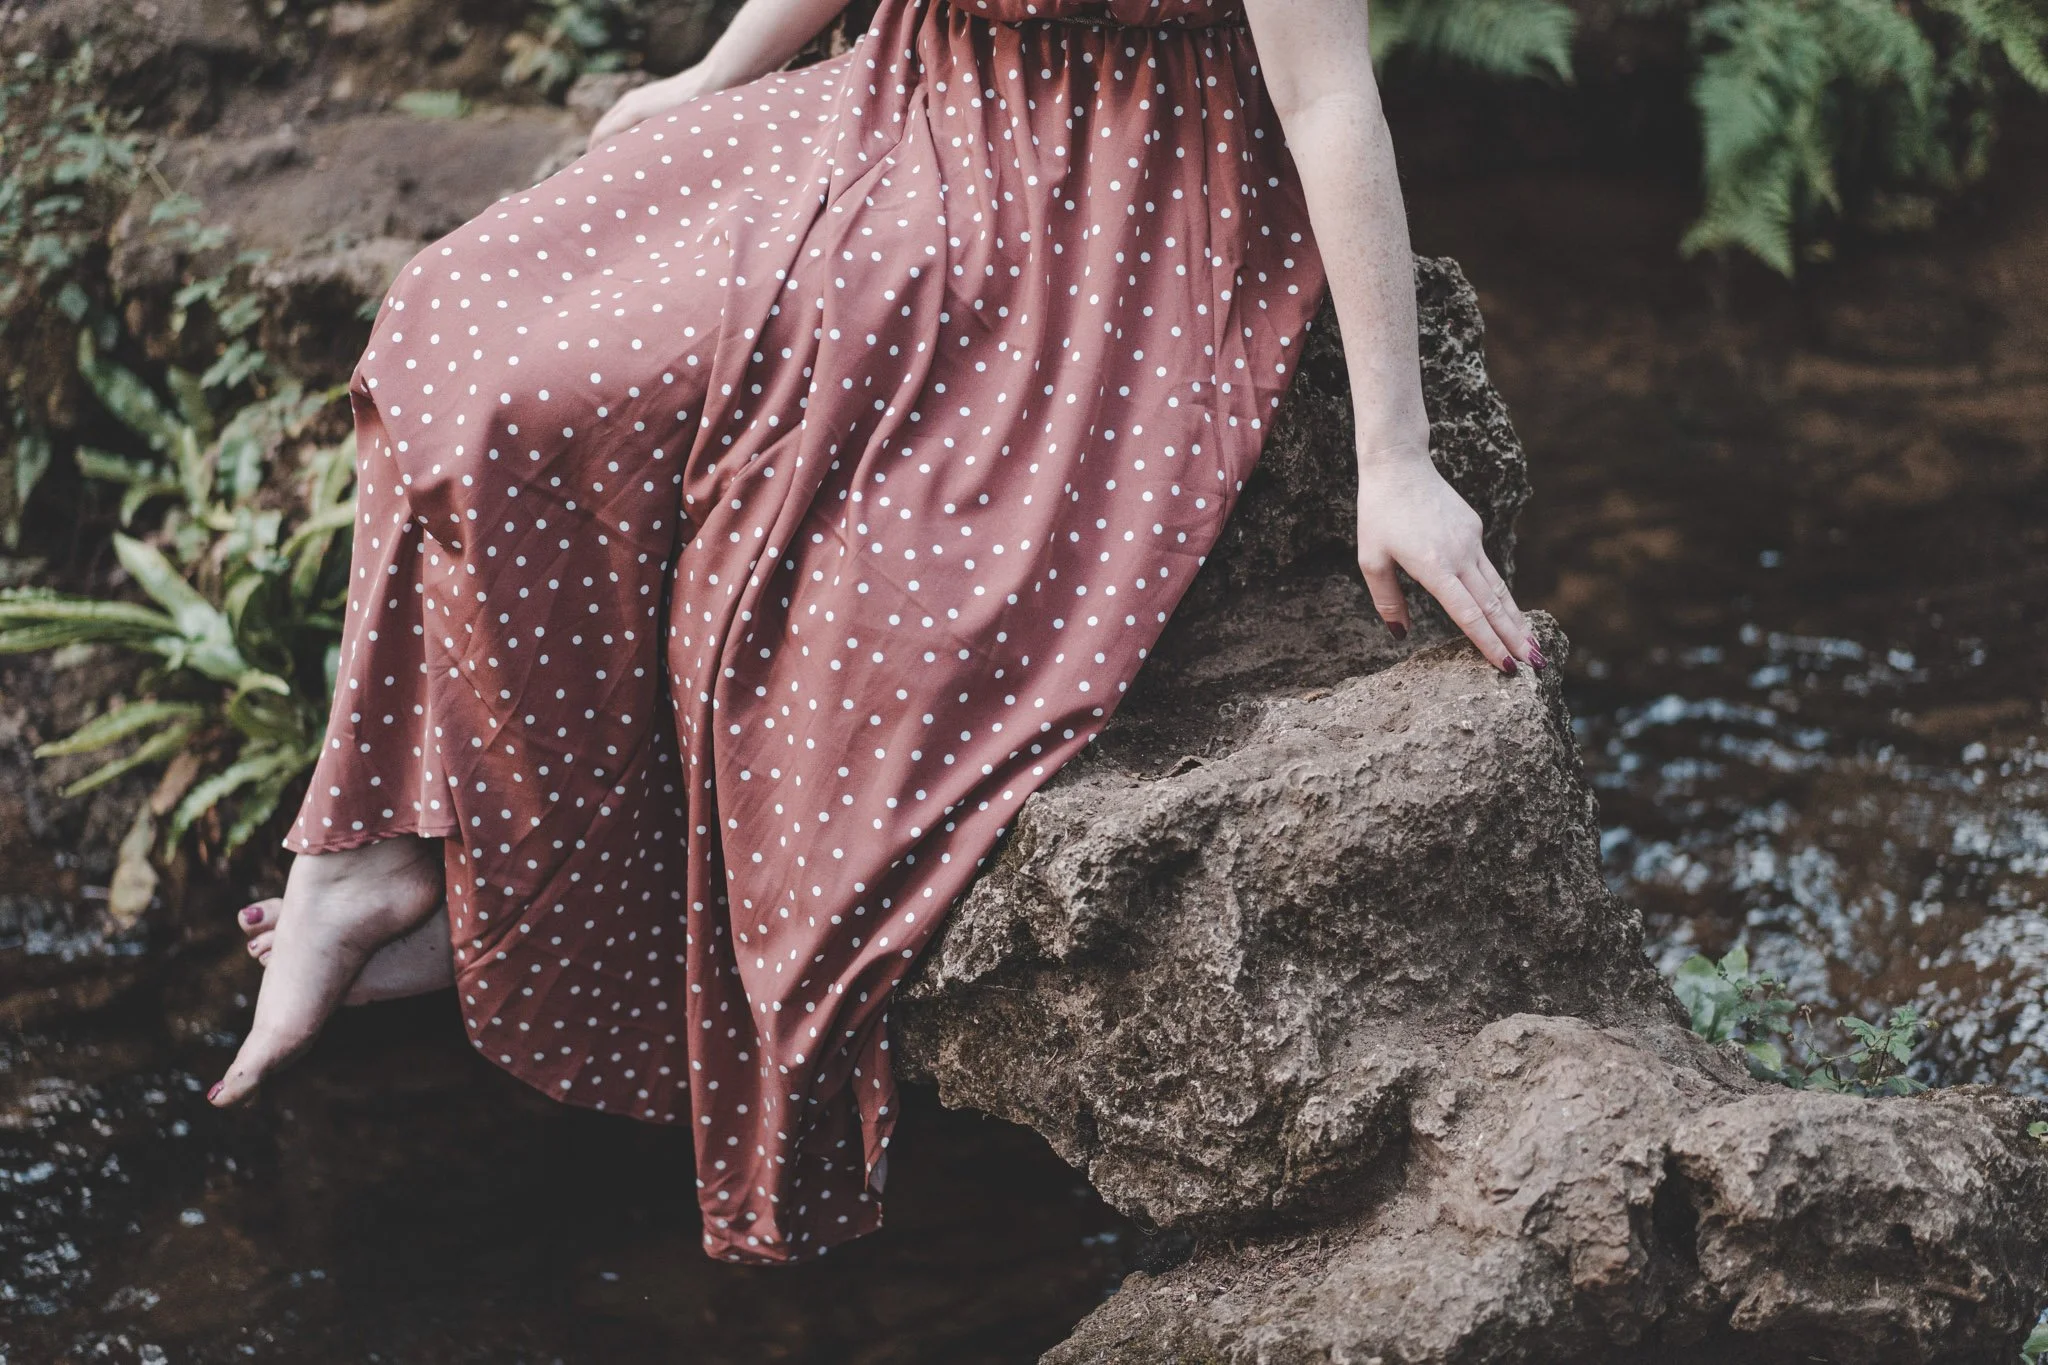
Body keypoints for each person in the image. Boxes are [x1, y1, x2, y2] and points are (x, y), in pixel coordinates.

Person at [210, 0, 1541, 1263]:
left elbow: (1322, 95)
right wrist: (713, 77)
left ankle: (499, 915)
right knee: (462, 323)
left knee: (836, 606)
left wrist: (1397, 456)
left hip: (1110, 184)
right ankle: (394, 854)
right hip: (904, 92)